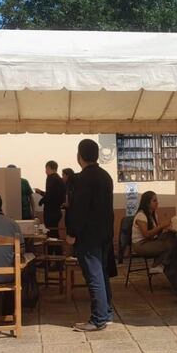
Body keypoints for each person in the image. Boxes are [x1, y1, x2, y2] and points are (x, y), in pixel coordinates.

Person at [67, 139, 115, 331]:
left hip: (88, 235)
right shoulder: (105, 176)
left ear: (79, 156)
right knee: (102, 274)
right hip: (104, 233)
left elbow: (79, 209)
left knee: (94, 276)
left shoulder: (82, 178)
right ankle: (107, 312)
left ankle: (98, 319)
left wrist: (72, 233)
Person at [131, 191, 174, 274]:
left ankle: (160, 264)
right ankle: (156, 265)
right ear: (147, 203)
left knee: (172, 237)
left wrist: (166, 227)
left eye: (157, 200)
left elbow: (156, 232)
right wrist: (161, 226)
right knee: (170, 245)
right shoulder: (141, 215)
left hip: (149, 241)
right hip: (140, 244)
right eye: (154, 201)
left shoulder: (153, 215)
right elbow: (146, 234)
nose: (157, 203)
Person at [35, 160, 66, 234]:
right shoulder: (59, 179)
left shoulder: (51, 178)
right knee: (54, 233)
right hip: (57, 210)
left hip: (51, 211)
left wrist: (42, 199)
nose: (45, 171)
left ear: (48, 168)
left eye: (46, 169)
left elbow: (49, 195)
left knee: (50, 233)